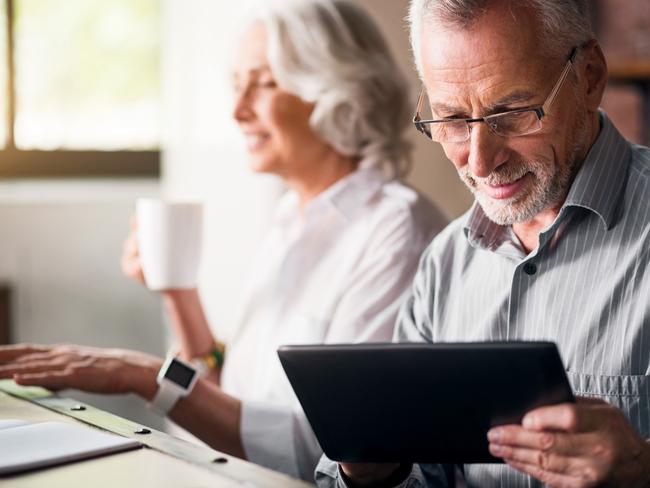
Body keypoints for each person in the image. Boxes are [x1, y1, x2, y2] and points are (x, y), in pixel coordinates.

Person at [0, 0, 446, 481]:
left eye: (264, 83)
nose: (237, 110)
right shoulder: (289, 216)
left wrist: (141, 374)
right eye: (237, 85)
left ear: (337, 90)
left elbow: (329, 451)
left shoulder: (397, 232)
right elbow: (232, 399)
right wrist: (177, 292)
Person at [315, 0, 650, 487]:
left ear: (590, 77)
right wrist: (373, 472)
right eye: (451, 119)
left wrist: (643, 468)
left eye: (511, 114)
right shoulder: (445, 263)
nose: (479, 161)